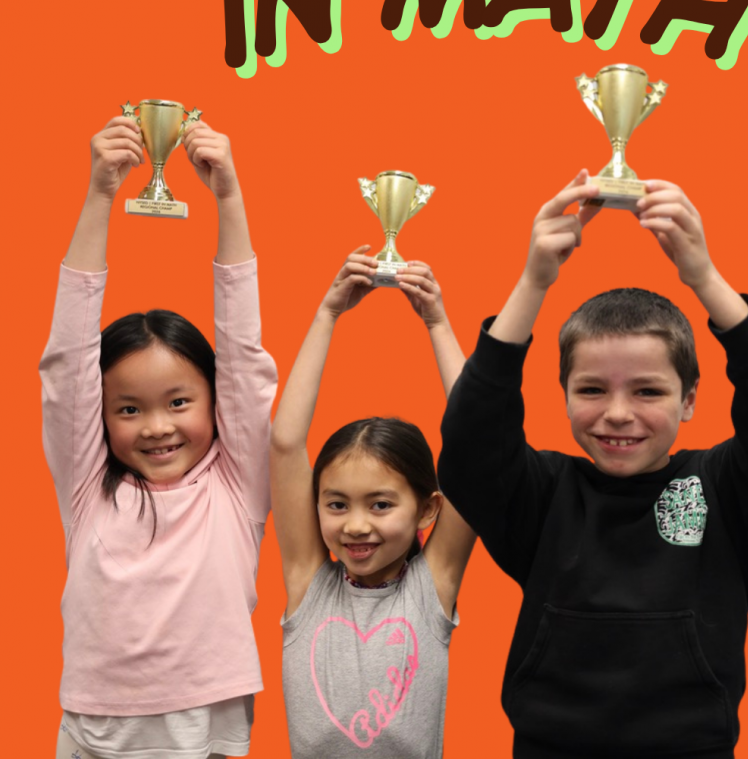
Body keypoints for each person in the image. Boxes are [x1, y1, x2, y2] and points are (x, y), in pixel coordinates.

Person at [437, 171, 748, 759]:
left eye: (647, 392)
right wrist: (533, 282)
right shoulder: (541, 496)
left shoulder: (722, 491)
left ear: (689, 399)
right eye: (592, 389)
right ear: (562, 393)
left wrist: (703, 277)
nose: (618, 414)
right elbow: (469, 445)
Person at [42, 115, 278, 759]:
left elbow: (242, 353)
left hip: (207, 725)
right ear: (102, 415)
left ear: (214, 399)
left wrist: (228, 198)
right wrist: (99, 195)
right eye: (129, 409)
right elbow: (67, 362)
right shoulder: (88, 485)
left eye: (178, 402)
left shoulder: (236, 482)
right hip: (98, 726)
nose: (157, 427)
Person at [270, 249, 476, 758]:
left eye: (380, 505)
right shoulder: (307, 582)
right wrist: (327, 314)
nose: (356, 525)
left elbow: (478, 441)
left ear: (428, 510)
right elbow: (284, 444)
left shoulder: (433, 588)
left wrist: (437, 322)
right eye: (336, 505)